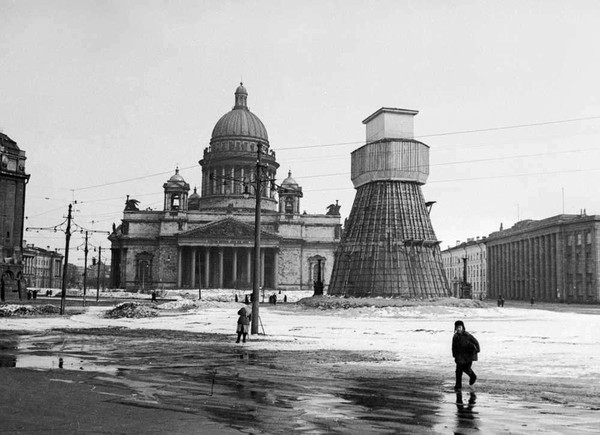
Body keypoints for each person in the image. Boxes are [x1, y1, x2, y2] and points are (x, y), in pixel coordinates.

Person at [452, 320, 480, 391]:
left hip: (468, 356)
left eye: (460, 327)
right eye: (457, 327)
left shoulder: (467, 335)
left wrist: (477, 350)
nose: (458, 329)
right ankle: (458, 385)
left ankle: (473, 376)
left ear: (463, 327)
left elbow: (476, 342)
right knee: (458, 371)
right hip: (459, 356)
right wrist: (454, 355)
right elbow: (453, 347)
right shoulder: (455, 337)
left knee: (466, 368)